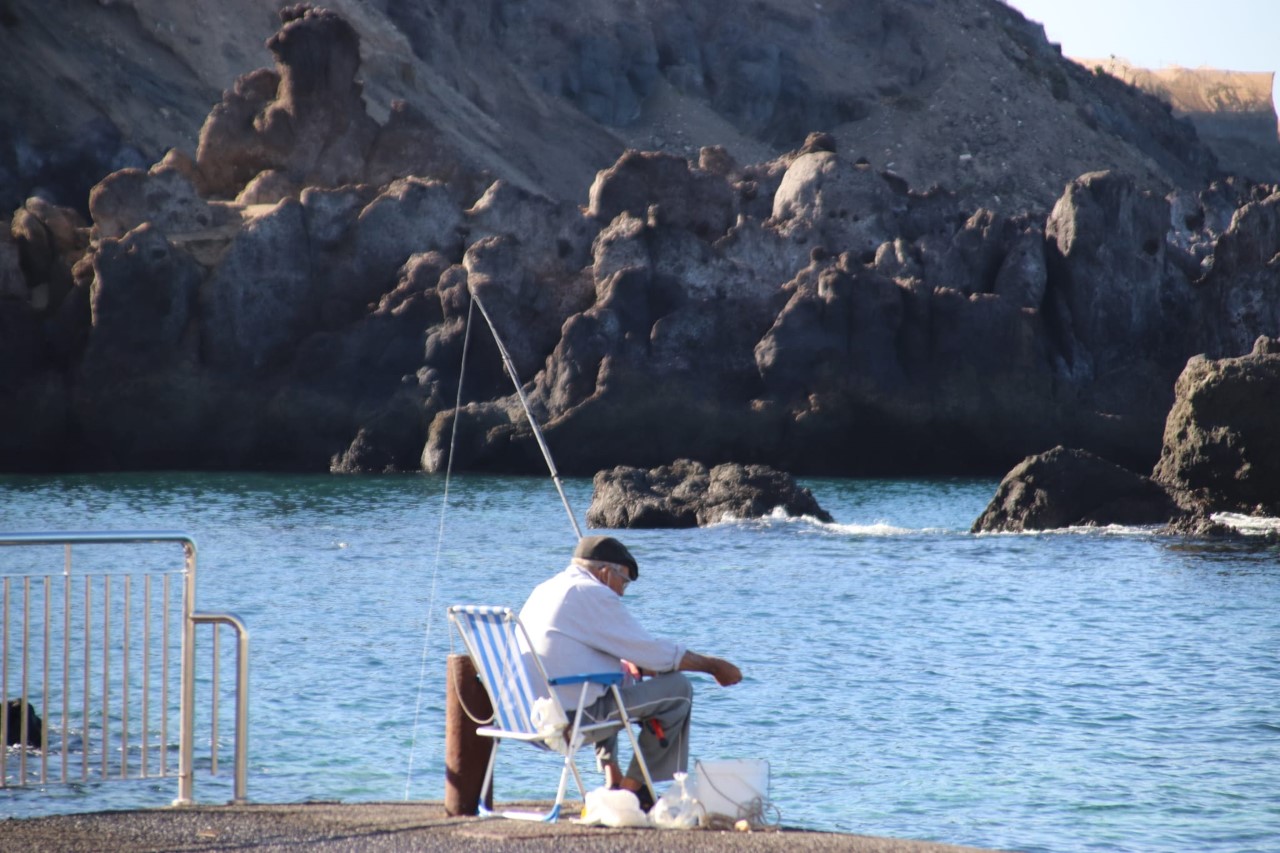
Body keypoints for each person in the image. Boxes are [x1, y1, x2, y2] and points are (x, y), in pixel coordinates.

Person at [518, 535, 742, 809]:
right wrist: (713, 665)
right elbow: (654, 652)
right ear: (605, 572)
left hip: (523, 719)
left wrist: (628, 663)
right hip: (566, 724)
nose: (622, 593)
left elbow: (574, 648)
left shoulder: (546, 589)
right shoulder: (591, 592)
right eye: (622, 582)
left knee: (617, 677)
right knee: (679, 691)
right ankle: (630, 792)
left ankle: (613, 778)